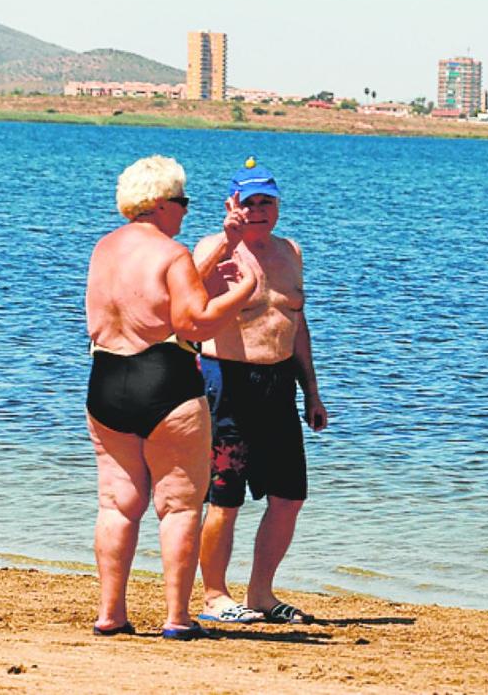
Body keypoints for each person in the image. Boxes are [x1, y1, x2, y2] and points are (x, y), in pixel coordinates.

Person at [86, 155, 255, 639]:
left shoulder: (104, 248)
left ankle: (110, 615)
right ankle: (178, 618)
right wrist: (243, 291)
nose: (185, 211)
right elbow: (192, 323)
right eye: (182, 201)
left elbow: (145, 305)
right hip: (164, 379)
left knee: (116, 504)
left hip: (105, 379)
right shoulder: (172, 253)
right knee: (179, 505)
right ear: (160, 204)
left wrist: (217, 258)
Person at [194, 158, 328, 625]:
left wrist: (311, 388)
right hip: (226, 381)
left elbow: (296, 321)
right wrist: (226, 241)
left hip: (278, 385)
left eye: (265, 201)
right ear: (231, 204)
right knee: (224, 498)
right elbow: (186, 296)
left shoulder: (290, 250)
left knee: (289, 497)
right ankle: (214, 597)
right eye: (247, 202)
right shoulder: (215, 248)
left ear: (277, 205)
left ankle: (261, 594)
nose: (257, 210)